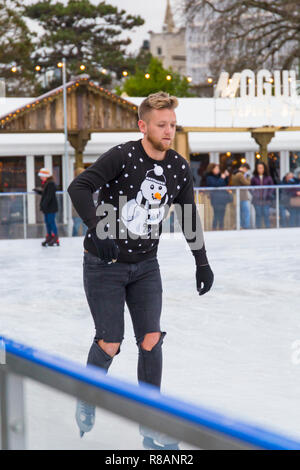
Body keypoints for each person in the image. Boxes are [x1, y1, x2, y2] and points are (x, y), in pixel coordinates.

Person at [68, 91, 214, 449]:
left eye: (172, 125)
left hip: (146, 266)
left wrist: (202, 261)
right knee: (110, 342)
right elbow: (79, 186)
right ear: (143, 126)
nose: (168, 131)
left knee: (151, 340)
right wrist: (96, 228)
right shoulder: (123, 155)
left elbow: (188, 217)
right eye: (161, 125)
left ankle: (151, 424)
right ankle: (87, 396)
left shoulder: (178, 167)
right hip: (105, 264)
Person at [33, 168, 59, 246]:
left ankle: (55, 238)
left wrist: (43, 204)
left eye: (42, 176)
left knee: (51, 222)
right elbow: (46, 193)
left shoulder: (50, 183)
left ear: (45, 176)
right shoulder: (46, 183)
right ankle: (49, 237)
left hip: (51, 207)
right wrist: (39, 191)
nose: (41, 177)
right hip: (47, 208)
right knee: (47, 223)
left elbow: (49, 196)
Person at [205, 163, 230, 230]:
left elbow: (224, 184)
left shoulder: (220, 176)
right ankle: (214, 229)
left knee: (222, 215)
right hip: (215, 199)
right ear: (212, 169)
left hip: (223, 198)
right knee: (216, 215)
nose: (218, 170)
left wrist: (226, 177)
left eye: (218, 168)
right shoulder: (209, 177)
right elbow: (215, 185)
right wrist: (222, 178)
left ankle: (221, 228)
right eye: (216, 168)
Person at [251, 162, 274, 229]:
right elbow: (251, 188)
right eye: (259, 168)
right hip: (257, 200)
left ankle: (267, 228)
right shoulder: (254, 178)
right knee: (258, 214)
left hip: (266, 200)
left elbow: (272, 188)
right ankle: (258, 228)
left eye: (261, 168)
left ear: (264, 169)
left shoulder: (268, 178)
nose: (260, 169)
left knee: (266, 214)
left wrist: (268, 194)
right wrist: (255, 194)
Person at [230, 163, 251, 229]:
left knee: (240, 212)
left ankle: (240, 225)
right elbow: (247, 183)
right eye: (247, 170)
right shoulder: (240, 174)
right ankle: (245, 226)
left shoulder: (234, 173)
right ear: (244, 168)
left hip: (238, 196)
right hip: (242, 196)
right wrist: (248, 177)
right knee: (246, 212)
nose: (246, 172)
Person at [72, 167, 88, 237]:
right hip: (78, 211)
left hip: (84, 210)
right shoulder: (76, 184)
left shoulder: (87, 183)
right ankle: (74, 240)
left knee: (84, 227)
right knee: (77, 227)